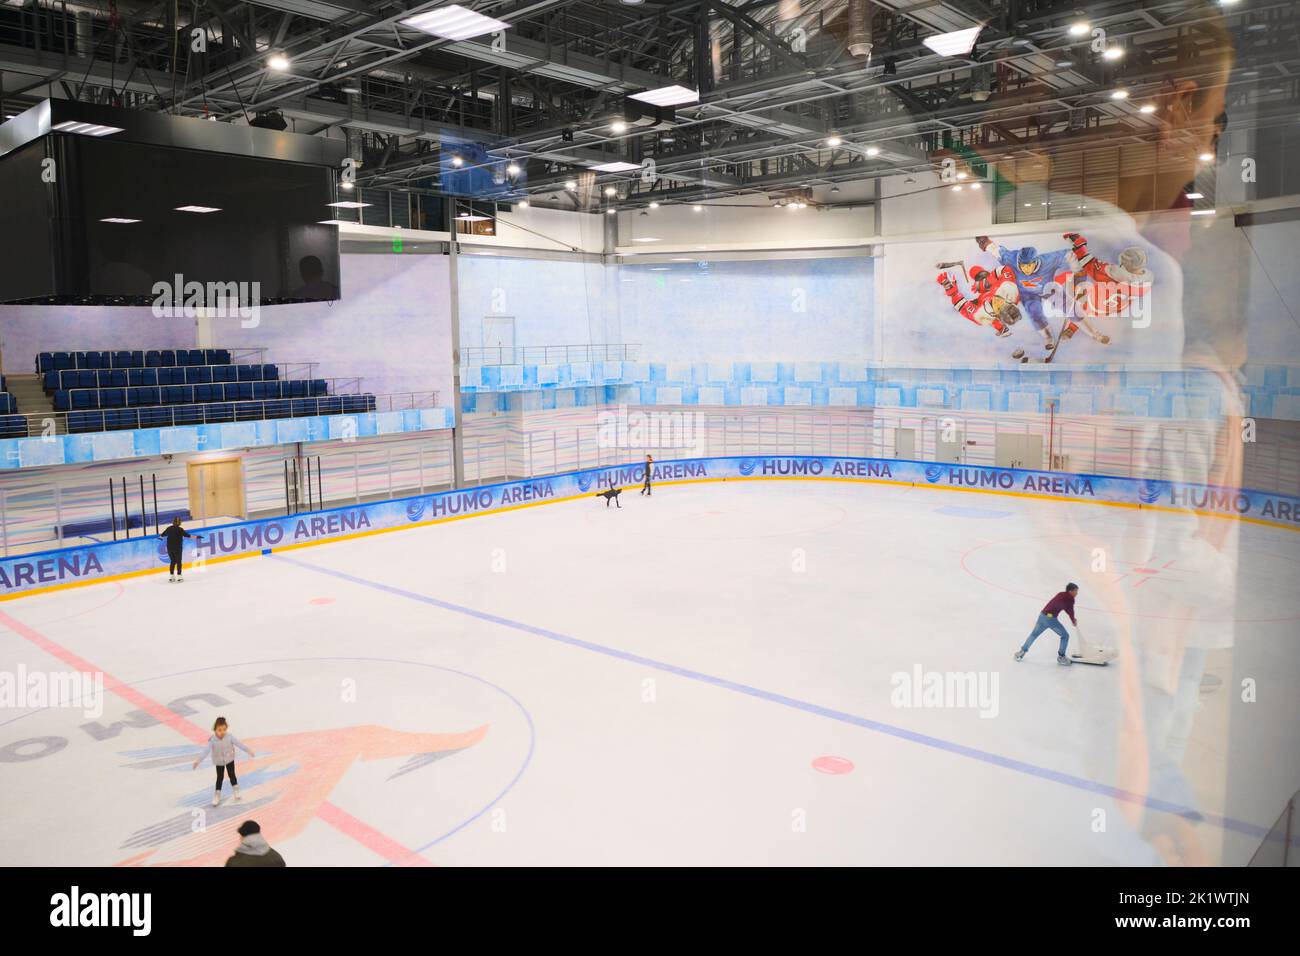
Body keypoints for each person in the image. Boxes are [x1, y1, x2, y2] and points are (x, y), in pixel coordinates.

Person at [192, 716, 256, 807]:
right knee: (220, 778)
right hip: (219, 762)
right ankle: (217, 795)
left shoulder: (229, 737)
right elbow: (205, 751)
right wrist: (198, 760)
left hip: (229, 759)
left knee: (232, 774)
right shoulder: (212, 740)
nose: (222, 732)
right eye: (219, 730)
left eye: (224, 729)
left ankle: (236, 790)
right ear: (215, 730)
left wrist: (248, 750)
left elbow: (239, 744)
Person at [1014, 584, 1079, 666]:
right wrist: (1073, 620)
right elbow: (1070, 610)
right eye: (1076, 591)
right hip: (1050, 620)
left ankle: (1021, 652)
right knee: (1065, 636)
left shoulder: (1060, 594)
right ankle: (1061, 657)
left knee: (1034, 635)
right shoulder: (1070, 598)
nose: (1077, 593)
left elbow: (1065, 607)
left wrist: (1072, 618)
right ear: (1071, 591)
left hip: (1042, 616)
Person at [158, 516, 196, 583]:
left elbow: (162, 535)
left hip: (169, 548)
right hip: (177, 548)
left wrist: (160, 537)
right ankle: (179, 576)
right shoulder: (180, 529)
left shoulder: (169, 528)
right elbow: (188, 536)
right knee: (178, 561)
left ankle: (171, 577)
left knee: (173, 561)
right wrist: (197, 537)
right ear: (180, 523)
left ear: (173, 522)